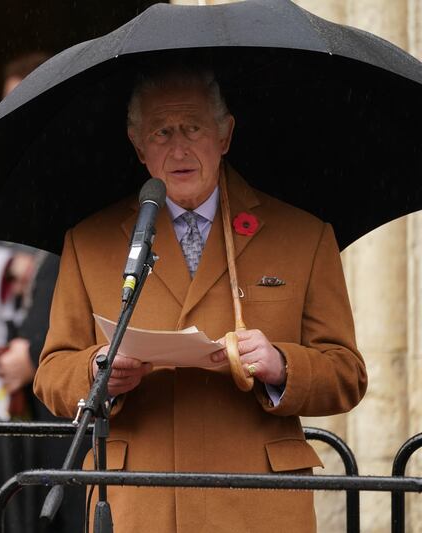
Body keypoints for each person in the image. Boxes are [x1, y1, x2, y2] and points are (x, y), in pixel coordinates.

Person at [33, 65, 368, 532]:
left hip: (258, 504)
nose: (179, 148)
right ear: (138, 146)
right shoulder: (90, 241)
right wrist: (97, 372)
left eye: (192, 128)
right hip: (139, 505)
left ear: (225, 134)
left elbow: (347, 373)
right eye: (161, 132)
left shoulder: (303, 235)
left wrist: (281, 366)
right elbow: (51, 373)